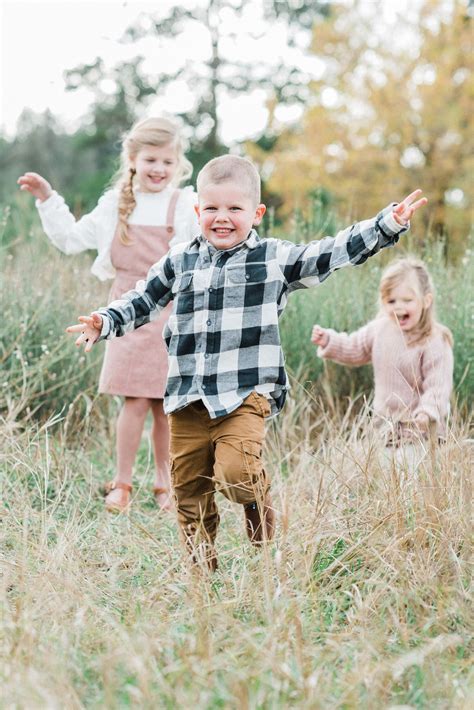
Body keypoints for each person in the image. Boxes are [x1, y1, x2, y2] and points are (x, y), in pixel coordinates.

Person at [66, 155, 427, 570]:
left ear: (256, 214)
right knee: (189, 490)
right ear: (198, 211)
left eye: (235, 209)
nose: (222, 218)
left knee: (237, 473)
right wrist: (104, 320)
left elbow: (329, 253)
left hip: (245, 395)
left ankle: (257, 503)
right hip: (187, 396)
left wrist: (386, 225)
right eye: (213, 209)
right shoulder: (179, 260)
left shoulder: (273, 259)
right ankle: (204, 572)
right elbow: (143, 299)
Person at [18, 116, 199, 513]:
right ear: (133, 158)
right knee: (132, 401)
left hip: (172, 314)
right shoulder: (113, 204)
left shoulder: (185, 205)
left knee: (166, 407)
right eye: (151, 160)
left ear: (178, 165)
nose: (159, 169)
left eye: (167, 163)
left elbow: (204, 253)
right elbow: (69, 240)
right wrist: (49, 198)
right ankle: (122, 484)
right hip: (123, 314)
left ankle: (165, 485)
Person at [311, 257, 453, 443]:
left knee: (411, 471)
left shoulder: (434, 340)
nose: (398, 306)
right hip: (384, 430)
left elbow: (438, 387)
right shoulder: (380, 329)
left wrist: (426, 413)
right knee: (383, 470)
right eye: (391, 301)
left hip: (422, 434)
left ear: (426, 301)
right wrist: (329, 340)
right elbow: (355, 347)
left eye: (407, 300)